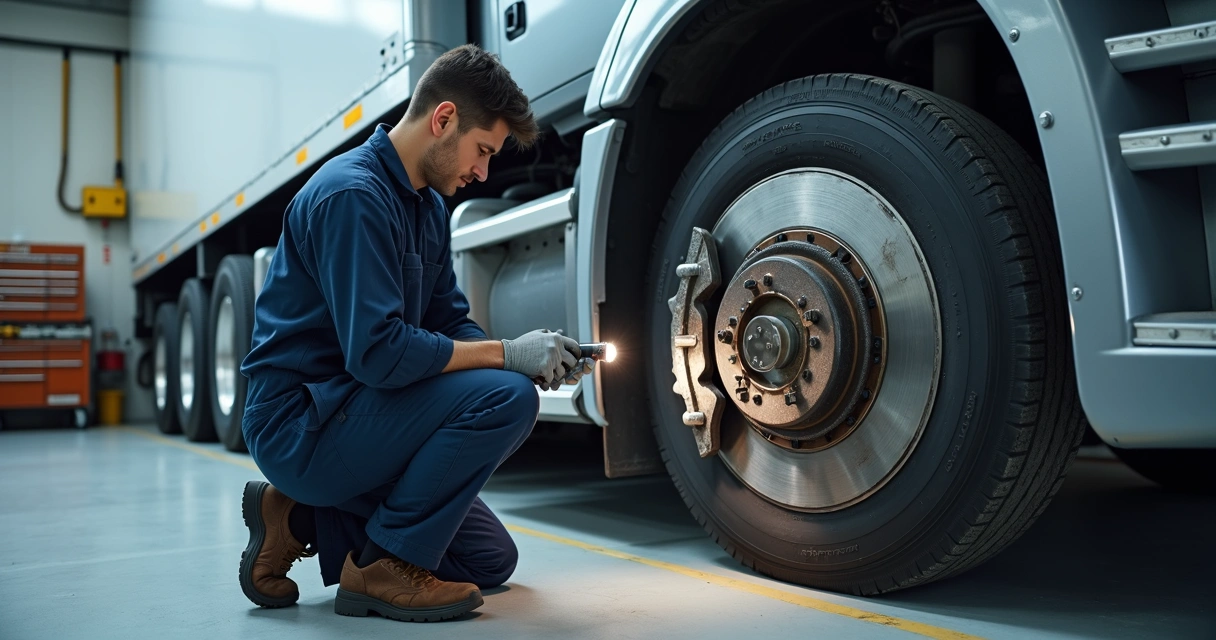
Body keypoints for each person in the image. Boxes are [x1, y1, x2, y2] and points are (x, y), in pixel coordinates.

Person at [236, 44, 594, 623]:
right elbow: (378, 354)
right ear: (443, 118)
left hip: (359, 412)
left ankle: (296, 516)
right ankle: (383, 566)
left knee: (488, 561)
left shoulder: (426, 207)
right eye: (483, 151)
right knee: (508, 398)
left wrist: (525, 355)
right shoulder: (352, 196)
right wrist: (507, 359)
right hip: (302, 425)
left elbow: (448, 321)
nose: (483, 172)